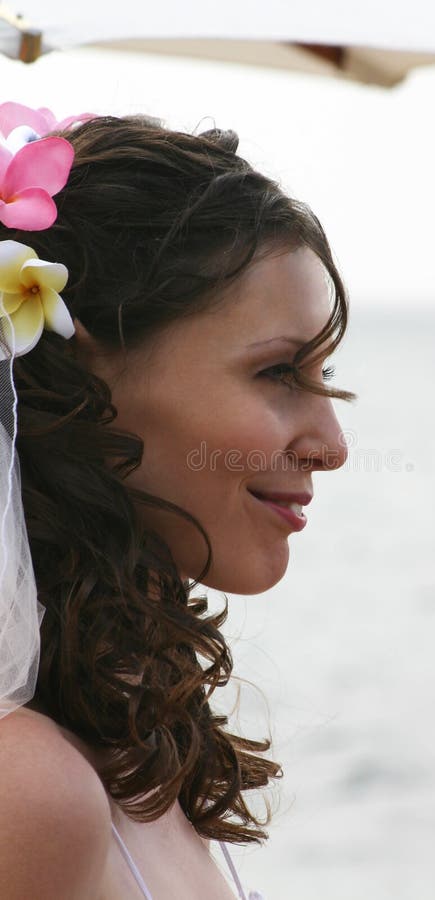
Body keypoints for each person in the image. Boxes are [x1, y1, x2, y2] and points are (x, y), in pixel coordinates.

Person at [0, 105, 354, 899]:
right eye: (277, 373)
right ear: (84, 379)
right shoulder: (28, 789)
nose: (332, 445)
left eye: (328, 379)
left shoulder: (138, 738)